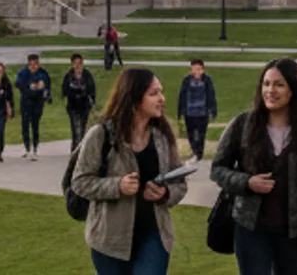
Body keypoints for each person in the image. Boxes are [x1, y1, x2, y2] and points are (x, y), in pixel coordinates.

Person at [210, 59, 297, 275]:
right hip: (251, 229)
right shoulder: (243, 124)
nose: (271, 90)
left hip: (296, 233)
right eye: (266, 84)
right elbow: (218, 169)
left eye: (279, 84)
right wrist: (246, 182)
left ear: (294, 89)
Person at [72, 68, 190, 275]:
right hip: (108, 240)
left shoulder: (163, 136)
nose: (162, 99)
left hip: (154, 234)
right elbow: (80, 182)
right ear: (133, 99)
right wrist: (117, 186)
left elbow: (180, 181)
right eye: (154, 93)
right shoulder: (100, 135)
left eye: (161, 92)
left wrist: (165, 194)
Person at [180, 59, 219, 160]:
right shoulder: (186, 80)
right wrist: (180, 111)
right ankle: (194, 151)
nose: (197, 72)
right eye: (194, 69)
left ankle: (199, 154)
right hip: (189, 112)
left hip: (202, 113)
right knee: (191, 134)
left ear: (202, 70)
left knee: (201, 134)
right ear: (191, 70)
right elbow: (182, 96)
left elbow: (211, 95)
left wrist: (213, 110)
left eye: (199, 69)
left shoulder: (207, 80)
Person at [16, 52, 52, 159]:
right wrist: (29, 85)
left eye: (36, 64)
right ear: (28, 64)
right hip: (26, 102)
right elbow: (18, 84)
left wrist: (47, 95)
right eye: (31, 64)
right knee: (25, 124)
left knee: (35, 125)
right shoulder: (23, 73)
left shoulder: (43, 73)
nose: (34, 66)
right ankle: (27, 147)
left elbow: (48, 86)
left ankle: (35, 147)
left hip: (38, 102)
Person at [65, 53, 100, 151]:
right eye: (75, 63)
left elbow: (91, 89)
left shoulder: (87, 75)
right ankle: (75, 148)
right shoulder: (69, 75)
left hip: (84, 105)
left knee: (83, 127)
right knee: (75, 128)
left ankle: (82, 148)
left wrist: (91, 100)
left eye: (79, 63)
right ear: (72, 64)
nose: (77, 65)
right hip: (73, 106)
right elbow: (65, 91)